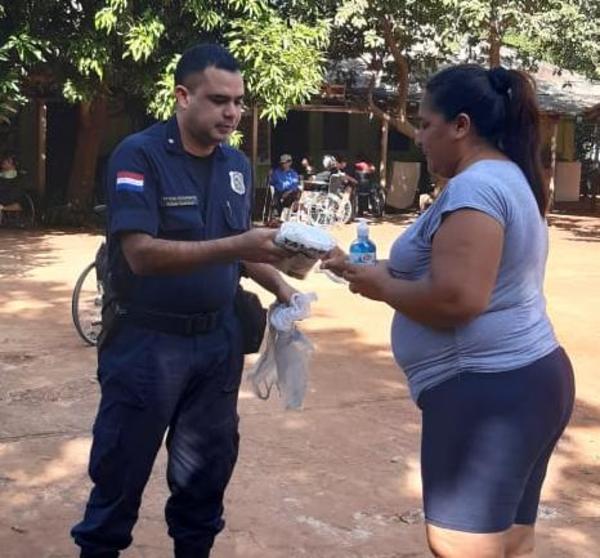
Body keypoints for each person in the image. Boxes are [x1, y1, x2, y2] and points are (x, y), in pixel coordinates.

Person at [323, 64, 574, 558]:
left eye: (424, 123)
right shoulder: (507, 176)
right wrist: (369, 270)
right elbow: (454, 273)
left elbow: (458, 299)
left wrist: (380, 288)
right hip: (524, 383)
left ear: (461, 126)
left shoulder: (474, 188)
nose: (418, 136)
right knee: (512, 540)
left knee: (460, 545)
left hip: (488, 395)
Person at [71, 43, 297, 558]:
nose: (233, 113)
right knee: (119, 475)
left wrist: (284, 289)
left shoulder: (237, 165)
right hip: (147, 345)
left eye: (239, 102)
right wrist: (239, 245)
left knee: (205, 477)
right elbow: (141, 255)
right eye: (219, 100)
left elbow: (238, 246)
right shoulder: (140, 155)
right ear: (182, 96)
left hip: (217, 345)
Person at [270, 153, 301, 218]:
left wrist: (288, 191)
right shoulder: (276, 172)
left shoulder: (293, 173)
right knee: (277, 196)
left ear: (290, 163)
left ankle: (292, 214)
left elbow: (295, 184)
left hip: (291, 193)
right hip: (280, 193)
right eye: (282, 163)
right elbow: (272, 183)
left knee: (297, 193)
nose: (283, 164)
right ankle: (281, 215)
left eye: (285, 163)